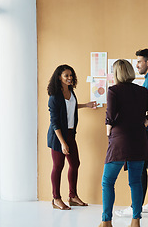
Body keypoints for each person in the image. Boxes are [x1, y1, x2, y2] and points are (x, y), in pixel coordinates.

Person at [99, 59, 148, 227]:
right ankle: (136, 220)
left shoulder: (113, 91)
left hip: (119, 141)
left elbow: (110, 116)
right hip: (139, 140)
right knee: (135, 182)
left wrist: (108, 132)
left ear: (116, 73)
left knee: (108, 182)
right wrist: (144, 123)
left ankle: (106, 222)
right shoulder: (142, 91)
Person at [116, 49, 148, 216]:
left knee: (141, 167)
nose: (137, 65)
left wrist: (143, 124)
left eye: (139, 61)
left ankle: (135, 206)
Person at [47, 64, 97, 210]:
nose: (70, 78)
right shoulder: (54, 97)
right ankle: (56, 198)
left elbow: (70, 107)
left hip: (70, 134)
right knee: (58, 166)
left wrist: (86, 105)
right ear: (59, 77)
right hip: (58, 136)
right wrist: (62, 143)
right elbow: (55, 122)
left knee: (75, 164)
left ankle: (72, 196)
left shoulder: (71, 92)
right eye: (66, 76)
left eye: (71, 75)